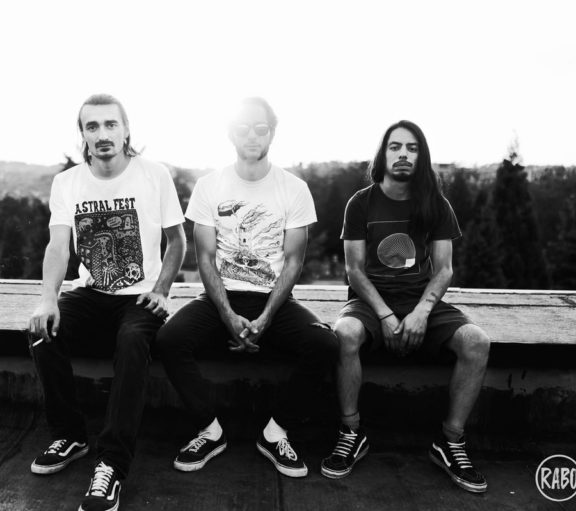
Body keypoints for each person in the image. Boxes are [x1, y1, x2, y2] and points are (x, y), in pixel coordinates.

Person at [156, 97, 338, 478]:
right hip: (220, 296)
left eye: (260, 128)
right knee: (169, 338)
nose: (252, 135)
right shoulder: (209, 186)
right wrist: (227, 315)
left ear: (272, 132)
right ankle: (210, 431)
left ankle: (275, 433)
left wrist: (267, 317)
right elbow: (206, 259)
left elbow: (293, 262)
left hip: (274, 299)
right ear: (230, 133)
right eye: (243, 128)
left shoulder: (294, 189)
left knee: (324, 344)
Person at [27, 93, 186, 511]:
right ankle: (70, 436)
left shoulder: (154, 175)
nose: (102, 134)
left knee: (133, 342)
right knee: (42, 331)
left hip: (140, 297)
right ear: (82, 134)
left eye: (111, 124)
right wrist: (48, 299)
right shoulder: (67, 183)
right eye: (92, 126)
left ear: (126, 129)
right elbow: (57, 247)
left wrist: (162, 290)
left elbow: (177, 241)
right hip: (91, 292)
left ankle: (112, 464)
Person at [325, 120, 491, 493]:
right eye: (395, 146)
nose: (403, 154)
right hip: (371, 299)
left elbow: (444, 269)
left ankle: (450, 441)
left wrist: (421, 311)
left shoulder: (436, 204)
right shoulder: (361, 203)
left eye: (412, 148)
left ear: (421, 157)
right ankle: (351, 432)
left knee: (477, 342)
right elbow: (354, 271)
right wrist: (384, 314)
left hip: (420, 298)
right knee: (344, 334)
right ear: (383, 155)